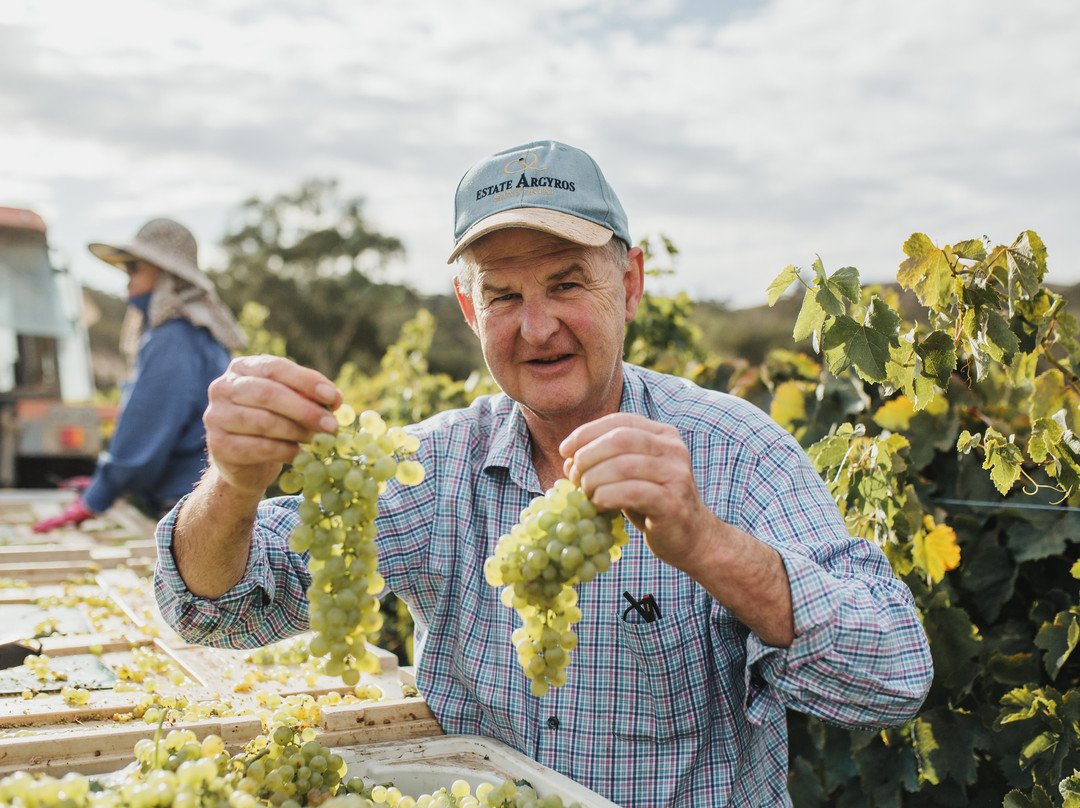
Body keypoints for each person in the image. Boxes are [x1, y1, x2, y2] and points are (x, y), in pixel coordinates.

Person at [154, 141, 933, 807]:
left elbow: (892, 677)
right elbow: (211, 612)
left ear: (630, 283)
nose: (537, 326)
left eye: (566, 283)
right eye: (503, 295)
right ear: (469, 309)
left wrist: (706, 543)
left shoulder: (736, 453)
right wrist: (235, 483)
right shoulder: (435, 469)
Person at [34, 218, 246, 532]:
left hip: (189, 506)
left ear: (165, 273)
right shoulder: (201, 333)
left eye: (134, 269)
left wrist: (96, 496)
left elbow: (145, 432)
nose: (127, 285)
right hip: (213, 498)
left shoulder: (173, 337)